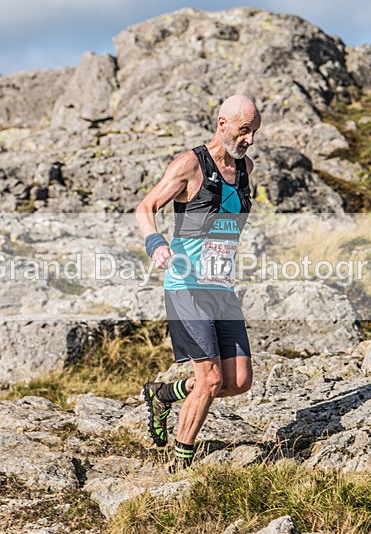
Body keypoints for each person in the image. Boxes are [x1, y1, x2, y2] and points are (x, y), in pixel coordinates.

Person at [135, 94, 261, 472]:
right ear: (222, 124)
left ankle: (163, 394)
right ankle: (180, 466)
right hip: (186, 286)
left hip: (221, 288)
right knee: (208, 381)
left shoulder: (245, 168)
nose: (249, 140)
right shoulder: (190, 165)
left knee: (238, 380)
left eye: (254, 133)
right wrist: (156, 243)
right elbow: (146, 207)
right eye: (244, 131)